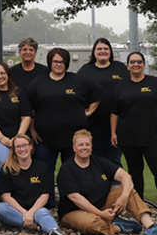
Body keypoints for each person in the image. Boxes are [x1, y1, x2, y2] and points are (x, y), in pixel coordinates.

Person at [57, 130, 157, 235]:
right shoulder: (67, 169)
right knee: (91, 224)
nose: (84, 148)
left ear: (91, 147)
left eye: (87, 144)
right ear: (74, 148)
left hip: (101, 204)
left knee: (128, 189)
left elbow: (126, 176)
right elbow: (76, 198)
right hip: (74, 211)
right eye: (80, 145)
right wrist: (100, 214)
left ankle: (151, 228)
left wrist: (123, 197)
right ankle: (119, 227)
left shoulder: (100, 162)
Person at [27, 47, 103, 207]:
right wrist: (32, 129)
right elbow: (30, 109)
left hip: (73, 141)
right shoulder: (38, 83)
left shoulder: (78, 81)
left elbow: (98, 93)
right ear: (50, 63)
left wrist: (89, 112)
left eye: (62, 62)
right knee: (45, 172)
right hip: (45, 139)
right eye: (55, 61)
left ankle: (71, 204)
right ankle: (47, 203)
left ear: (67, 63)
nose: (59, 65)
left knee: (72, 173)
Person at [111, 52, 157, 220]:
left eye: (139, 61)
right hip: (128, 137)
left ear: (144, 64)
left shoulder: (155, 83)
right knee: (135, 172)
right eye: (132, 62)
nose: (136, 64)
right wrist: (113, 132)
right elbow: (115, 112)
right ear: (128, 66)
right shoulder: (121, 86)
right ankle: (138, 205)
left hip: (153, 137)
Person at [0, 134, 64, 235]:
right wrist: (26, 213)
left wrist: (31, 212)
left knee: (43, 212)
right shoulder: (7, 168)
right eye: (18, 147)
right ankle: (37, 226)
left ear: (31, 146)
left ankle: (55, 232)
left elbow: (44, 195)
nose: (22, 149)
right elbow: (6, 196)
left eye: (24, 145)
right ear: (14, 150)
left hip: (36, 208)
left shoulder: (41, 167)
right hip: (15, 210)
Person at [77, 38, 129, 166]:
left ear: (110, 51)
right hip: (92, 124)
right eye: (99, 49)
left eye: (106, 49)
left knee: (113, 159)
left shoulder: (121, 68)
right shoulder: (85, 70)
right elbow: (77, 94)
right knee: (93, 159)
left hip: (117, 123)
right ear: (94, 52)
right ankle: (95, 185)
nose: (102, 51)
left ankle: (115, 185)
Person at [0, 62, 32, 184]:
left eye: (2, 73)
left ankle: (21, 193)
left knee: (23, 161)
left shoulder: (19, 93)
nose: (0, 76)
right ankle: (3, 194)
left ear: (8, 75)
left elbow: (26, 117)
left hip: (18, 136)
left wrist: (18, 138)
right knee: (4, 162)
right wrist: (2, 138)